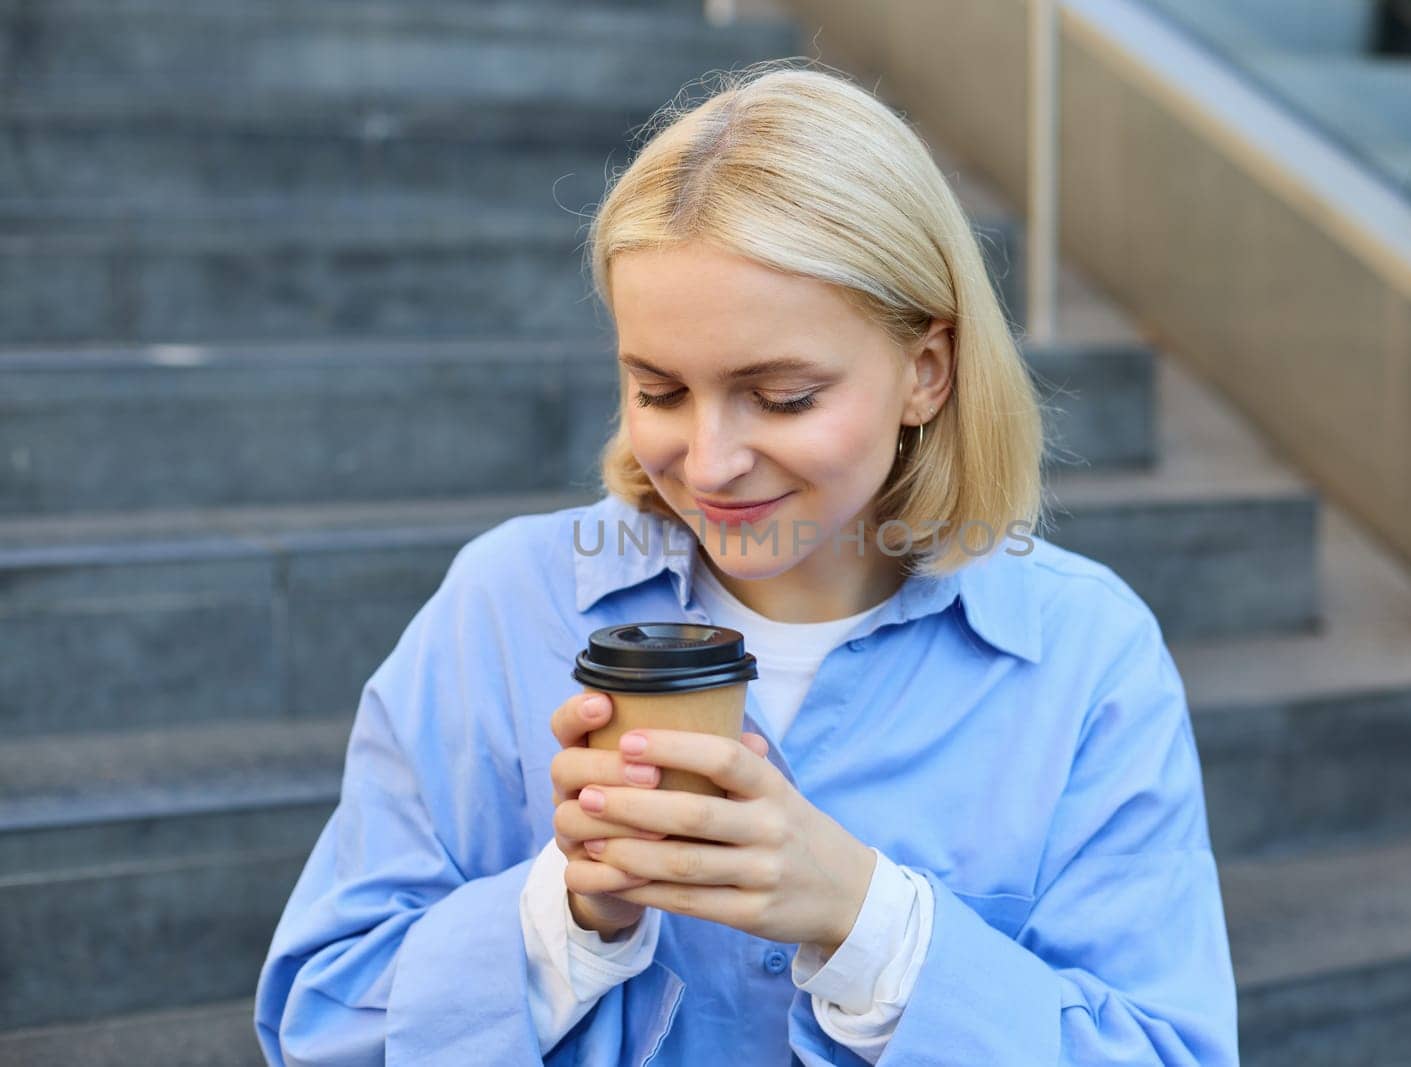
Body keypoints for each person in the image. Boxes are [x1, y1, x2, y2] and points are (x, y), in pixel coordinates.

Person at [255, 60, 1238, 1065]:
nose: (711, 461)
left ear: (925, 373)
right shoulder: (506, 606)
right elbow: (321, 1023)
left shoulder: (1084, 658)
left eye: (781, 395)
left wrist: (869, 921)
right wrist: (570, 910)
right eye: (660, 389)